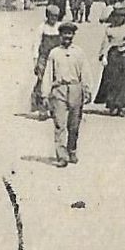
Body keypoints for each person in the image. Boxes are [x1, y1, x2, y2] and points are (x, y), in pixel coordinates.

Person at [39, 22, 91, 167]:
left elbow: (85, 72)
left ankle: (72, 150)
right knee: (59, 124)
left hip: (75, 89)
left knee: (74, 124)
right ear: (60, 36)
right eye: (64, 35)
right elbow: (48, 74)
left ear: (73, 35)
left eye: (70, 35)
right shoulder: (54, 53)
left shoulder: (79, 52)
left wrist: (87, 89)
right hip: (59, 90)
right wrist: (45, 94)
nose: (67, 38)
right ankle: (62, 155)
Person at [95, 6, 125, 116]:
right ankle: (112, 104)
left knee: (124, 80)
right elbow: (105, 43)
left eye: (121, 16)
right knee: (112, 80)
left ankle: (120, 105)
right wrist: (103, 56)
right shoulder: (109, 29)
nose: (118, 19)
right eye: (116, 16)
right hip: (113, 55)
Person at [30, 5, 62, 117]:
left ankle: (54, 107)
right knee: (42, 81)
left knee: (56, 81)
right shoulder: (42, 28)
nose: (54, 18)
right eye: (52, 16)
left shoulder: (59, 27)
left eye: (56, 16)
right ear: (47, 16)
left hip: (56, 58)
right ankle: (41, 108)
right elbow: (36, 45)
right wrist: (36, 61)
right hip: (44, 58)